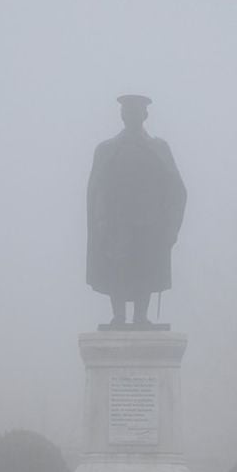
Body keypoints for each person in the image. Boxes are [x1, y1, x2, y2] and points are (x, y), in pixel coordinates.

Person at [86, 94, 187, 326]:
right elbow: (98, 189)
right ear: (122, 115)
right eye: (127, 111)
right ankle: (118, 316)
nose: (131, 115)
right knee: (118, 269)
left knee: (146, 268)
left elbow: (176, 189)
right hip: (117, 223)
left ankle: (141, 315)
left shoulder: (158, 148)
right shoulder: (107, 149)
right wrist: (101, 219)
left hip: (150, 224)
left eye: (136, 111)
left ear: (145, 115)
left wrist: (172, 225)